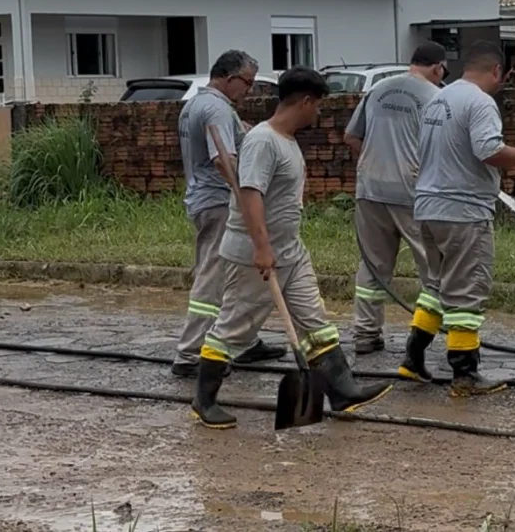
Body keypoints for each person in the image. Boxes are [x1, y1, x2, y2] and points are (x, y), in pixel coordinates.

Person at [192, 65, 393, 429]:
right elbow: (250, 195)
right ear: (304, 102)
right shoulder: (263, 141)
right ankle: (204, 401)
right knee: (233, 329)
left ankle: (343, 389)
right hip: (256, 254)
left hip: (291, 251)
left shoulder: (286, 140)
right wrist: (261, 247)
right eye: (316, 106)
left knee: (314, 321)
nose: (317, 114)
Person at [400, 40, 515, 396]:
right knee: (466, 291)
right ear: (496, 71)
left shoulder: (439, 99)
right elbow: (488, 150)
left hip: (428, 208)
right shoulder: (480, 102)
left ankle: (413, 358)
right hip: (463, 212)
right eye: (502, 78)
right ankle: (464, 374)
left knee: (436, 286)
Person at [172, 50, 286, 378]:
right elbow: (222, 159)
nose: (248, 90)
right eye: (247, 83)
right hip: (218, 202)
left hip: (206, 199)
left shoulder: (196, 104)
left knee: (238, 275)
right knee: (213, 276)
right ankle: (191, 353)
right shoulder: (215, 107)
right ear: (227, 77)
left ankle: (243, 341)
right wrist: (246, 199)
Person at [343, 41, 447, 355]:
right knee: (434, 268)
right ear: (437, 67)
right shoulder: (437, 97)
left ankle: (365, 334)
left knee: (373, 266)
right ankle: (428, 336)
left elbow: (351, 136)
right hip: (414, 195)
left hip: (370, 191)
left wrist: (376, 163)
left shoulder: (377, 90)